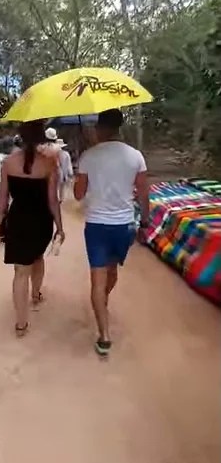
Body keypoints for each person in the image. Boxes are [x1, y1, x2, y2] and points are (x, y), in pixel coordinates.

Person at [74, 108, 150, 357]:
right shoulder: (136, 156)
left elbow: (77, 194)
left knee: (98, 278)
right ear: (119, 127)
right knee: (112, 271)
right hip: (124, 225)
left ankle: (104, 335)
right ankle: (102, 302)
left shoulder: (88, 156)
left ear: (100, 128)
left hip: (97, 225)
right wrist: (145, 222)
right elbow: (143, 191)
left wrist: (84, 176)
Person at [0, 121, 65, 336]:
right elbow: (53, 200)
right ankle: (36, 295)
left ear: (20, 137)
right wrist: (60, 227)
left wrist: (0, 217)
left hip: (18, 219)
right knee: (37, 258)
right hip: (41, 220)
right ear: (40, 138)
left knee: (20, 271)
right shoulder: (49, 163)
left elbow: (3, 197)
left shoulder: (8, 162)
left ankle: (20, 324)